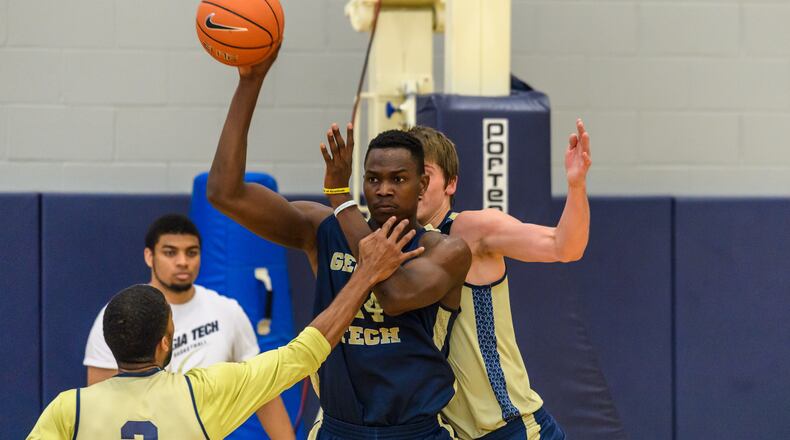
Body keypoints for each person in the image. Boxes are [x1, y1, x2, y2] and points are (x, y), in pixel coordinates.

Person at [207, 50, 471, 440]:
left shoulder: (446, 250)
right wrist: (250, 82)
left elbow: (392, 292)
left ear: (422, 187)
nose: (383, 189)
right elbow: (224, 193)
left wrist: (338, 195)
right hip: (338, 428)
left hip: (414, 431)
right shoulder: (324, 230)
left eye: (398, 179)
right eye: (373, 178)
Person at [28, 217, 424, 439]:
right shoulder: (202, 392)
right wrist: (364, 276)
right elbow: (301, 355)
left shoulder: (69, 408)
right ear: (167, 342)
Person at [406, 121, 593, 439]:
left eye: (426, 173)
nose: (417, 185)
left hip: (514, 429)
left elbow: (564, 246)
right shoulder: (395, 247)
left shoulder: (471, 230)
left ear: (450, 184)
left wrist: (576, 187)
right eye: (406, 175)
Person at [83, 213, 294, 439]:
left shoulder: (227, 311)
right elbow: (99, 401)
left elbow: (260, 388)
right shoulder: (120, 314)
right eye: (170, 252)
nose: (183, 261)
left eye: (191, 253)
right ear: (149, 256)